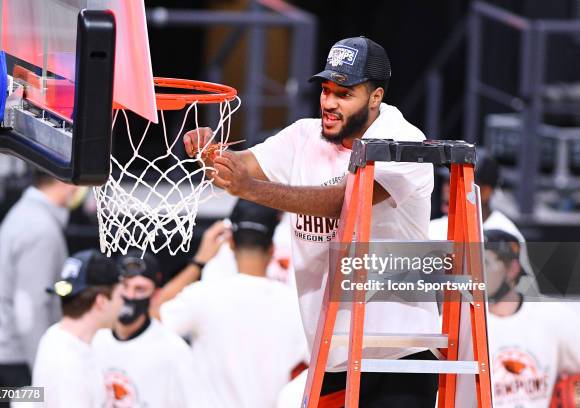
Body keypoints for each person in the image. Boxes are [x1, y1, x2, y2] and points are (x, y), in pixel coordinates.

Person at [183, 37, 438, 406]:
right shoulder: (303, 136)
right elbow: (240, 167)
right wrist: (210, 154)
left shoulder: (404, 141)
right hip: (333, 354)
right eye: (326, 89)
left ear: (375, 97)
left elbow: (347, 204)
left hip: (399, 354)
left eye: (344, 94)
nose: (329, 103)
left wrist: (250, 189)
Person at [159, 199, 308, 408]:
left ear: (231, 243)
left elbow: (150, 317)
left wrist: (199, 262)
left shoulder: (204, 296)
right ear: (273, 248)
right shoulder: (298, 307)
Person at [0, 170, 82, 387]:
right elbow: (29, 310)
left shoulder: (27, 215)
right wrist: (43, 376)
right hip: (26, 363)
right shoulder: (40, 229)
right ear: (67, 182)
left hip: (21, 359)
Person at [92, 250, 207, 407]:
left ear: (155, 295)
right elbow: (47, 391)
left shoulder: (173, 351)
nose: (130, 296)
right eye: (124, 286)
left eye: (140, 289)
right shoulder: (91, 339)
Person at [484, 229, 580, 408]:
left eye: (484, 263)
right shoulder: (461, 324)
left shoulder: (551, 315)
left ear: (512, 269)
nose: (475, 273)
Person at [428, 150, 539, 296]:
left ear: (485, 191)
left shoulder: (505, 234)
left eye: (455, 182)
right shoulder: (434, 228)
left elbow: (523, 299)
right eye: (446, 182)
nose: (446, 190)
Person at [31, 249, 123, 408]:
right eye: (120, 296)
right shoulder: (69, 367)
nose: (123, 304)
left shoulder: (56, 335)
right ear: (101, 302)